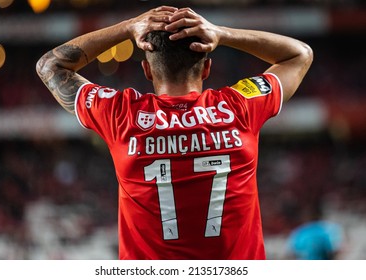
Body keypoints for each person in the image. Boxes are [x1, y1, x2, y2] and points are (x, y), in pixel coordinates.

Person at [36, 6, 313, 259]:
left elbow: (50, 65)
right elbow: (299, 54)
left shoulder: (122, 114)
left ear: (146, 70)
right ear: (207, 68)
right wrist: (221, 33)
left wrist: (128, 27)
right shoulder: (239, 107)